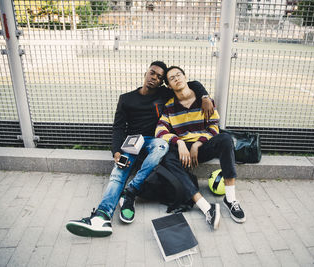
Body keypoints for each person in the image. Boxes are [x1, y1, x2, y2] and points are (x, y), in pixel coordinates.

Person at [66, 61, 213, 237]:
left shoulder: (163, 93)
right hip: (132, 142)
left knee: (162, 145)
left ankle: (130, 193)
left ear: (161, 82)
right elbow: (118, 128)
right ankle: (102, 217)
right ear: (146, 73)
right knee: (119, 173)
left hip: (154, 141)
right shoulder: (126, 99)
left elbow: (193, 84)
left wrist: (204, 96)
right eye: (153, 73)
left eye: (159, 77)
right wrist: (117, 153)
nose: (155, 78)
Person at [156, 66, 246, 230]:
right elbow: (160, 130)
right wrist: (180, 143)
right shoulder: (169, 106)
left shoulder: (204, 101)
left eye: (179, 75)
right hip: (183, 150)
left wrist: (199, 143)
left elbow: (214, 126)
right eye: (172, 78)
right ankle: (206, 207)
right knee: (168, 157)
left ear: (185, 77)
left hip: (202, 146)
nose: (176, 78)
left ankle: (231, 199)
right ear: (169, 85)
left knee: (225, 139)